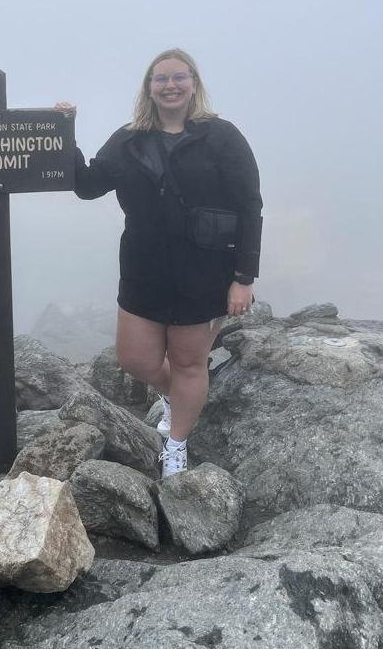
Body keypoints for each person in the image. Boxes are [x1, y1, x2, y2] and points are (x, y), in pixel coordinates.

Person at [61, 48, 262, 477]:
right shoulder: (130, 138)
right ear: (148, 88)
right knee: (137, 360)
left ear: (194, 84)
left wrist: (243, 278)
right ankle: (186, 398)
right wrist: (64, 132)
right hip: (143, 268)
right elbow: (87, 185)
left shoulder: (222, 137)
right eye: (160, 79)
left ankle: (176, 444)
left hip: (203, 271)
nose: (170, 86)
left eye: (179, 77)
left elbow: (250, 207)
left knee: (189, 363)